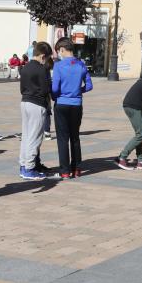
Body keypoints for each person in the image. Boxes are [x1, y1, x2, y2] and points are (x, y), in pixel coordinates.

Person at [51, 37, 93, 179]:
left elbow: (55, 87)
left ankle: (64, 171)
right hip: (76, 104)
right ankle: (77, 169)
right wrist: (77, 91)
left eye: (58, 51)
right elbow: (89, 86)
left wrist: (55, 96)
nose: (58, 54)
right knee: (75, 137)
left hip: (62, 103)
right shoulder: (81, 64)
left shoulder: (58, 66)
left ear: (62, 49)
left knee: (62, 138)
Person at [18, 42, 54, 180]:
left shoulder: (25, 67)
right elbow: (46, 89)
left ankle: (23, 165)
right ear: (43, 56)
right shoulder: (41, 69)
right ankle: (29, 167)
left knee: (26, 135)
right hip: (37, 103)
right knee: (35, 137)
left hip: (25, 101)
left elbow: (22, 88)